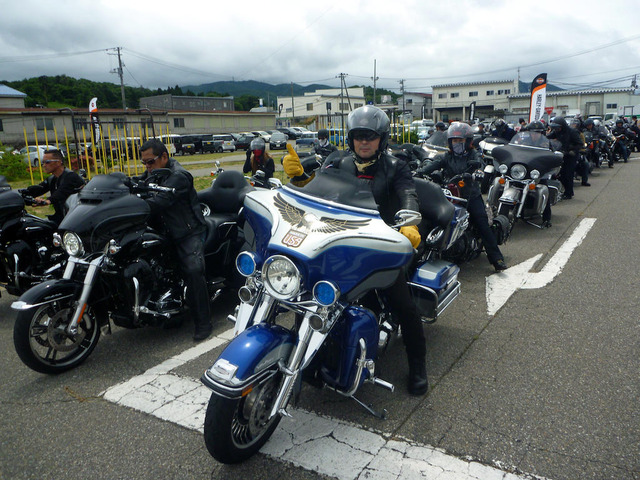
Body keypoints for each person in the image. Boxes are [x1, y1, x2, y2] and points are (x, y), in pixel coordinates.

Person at [283, 105, 429, 396]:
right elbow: (316, 192)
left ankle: (417, 367)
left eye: (370, 136)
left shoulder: (396, 166)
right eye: (358, 135)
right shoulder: (338, 162)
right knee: (310, 296)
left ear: (382, 139)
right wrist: (300, 180)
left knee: (404, 305)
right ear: (350, 138)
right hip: (340, 242)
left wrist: (409, 222)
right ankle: (306, 356)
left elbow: (408, 194)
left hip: (380, 246)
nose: (364, 141)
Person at [137, 139, 212, 341]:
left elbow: (160, 201)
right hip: (165, 232)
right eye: (144, 163)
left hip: (187, 232)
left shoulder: (179, 176)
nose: (147, 167)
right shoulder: (153, 173)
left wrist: (137, 204)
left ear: (164, 157)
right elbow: (139, 182)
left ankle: (203, 323)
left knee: (193, 271)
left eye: (150, 162)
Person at [416, 122, 509, 269]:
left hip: (470, 195)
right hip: (449, 194)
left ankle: (496, 258)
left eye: (460, 141)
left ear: (468, 142)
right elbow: (433, 165)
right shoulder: (446, 156)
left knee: (481, 222)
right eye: (454, 141)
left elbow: (480, 165)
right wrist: (418, 173)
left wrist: (478, 172)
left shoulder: (474, 155)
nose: (457, 144)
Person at [22, 148, 84, 225]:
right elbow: (39, 189)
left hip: (73, 220)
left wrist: (48, 201)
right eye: (43, 162)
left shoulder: (71, 176)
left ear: (58, 162)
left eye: (47, 162)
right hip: (60, 217)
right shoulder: (52, 178)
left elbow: (61, 192)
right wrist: (23, 193)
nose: (44, 165)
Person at [547, 116, 583, 200]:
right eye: (555, 128)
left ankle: (569, 193)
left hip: (571, 155)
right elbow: (548, 137)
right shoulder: (556, 132)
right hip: (561, 154)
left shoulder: (572, 132)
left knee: (568, 174)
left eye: (558, 128)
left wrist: (573, 150)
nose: (556, 129)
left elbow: (579, 143)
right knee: (560, 174)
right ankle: (563, 190)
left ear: (562, 126)